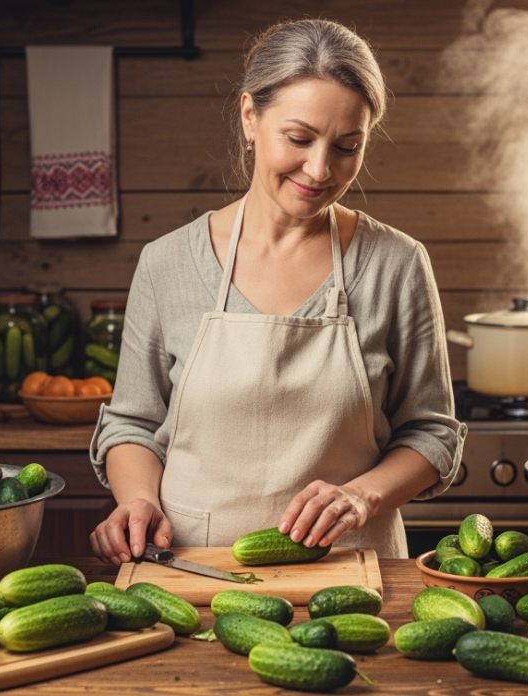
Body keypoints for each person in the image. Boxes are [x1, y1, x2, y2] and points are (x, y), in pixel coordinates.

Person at [88, 18, 466, 564]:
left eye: (346, 146)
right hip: (194, 568)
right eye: (299, 138)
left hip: (352, 569)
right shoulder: (167, 263)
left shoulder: (397, 264)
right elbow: (133, 423)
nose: (320, 168)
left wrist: (361, 497)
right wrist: (138, 499)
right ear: (250, 117)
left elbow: (432, 435)